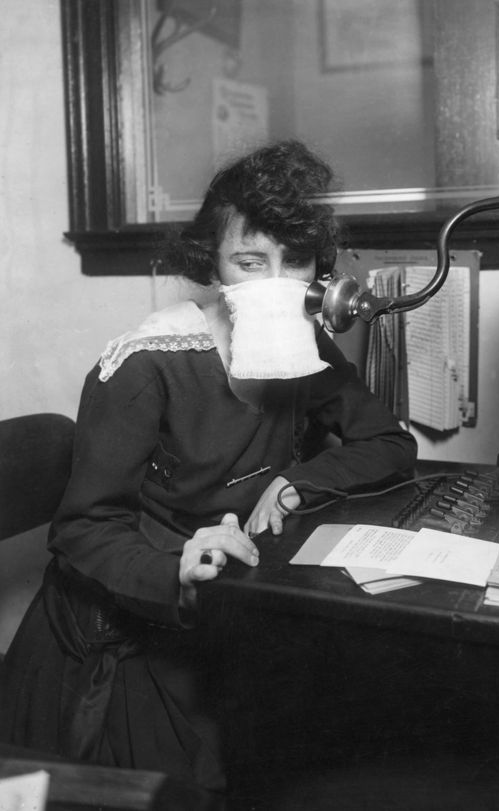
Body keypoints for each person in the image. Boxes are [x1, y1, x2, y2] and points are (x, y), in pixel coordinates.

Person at [0, 140, 417, 794]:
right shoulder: (147, 364)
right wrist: (177, 575)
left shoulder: (306, 347)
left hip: (235, 603)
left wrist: (299, 481)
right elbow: (83, 528)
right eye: (251, 262)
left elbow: (388, 442)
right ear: (213, 264)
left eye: (295, 261)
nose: (277, 282)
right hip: (130, 621)